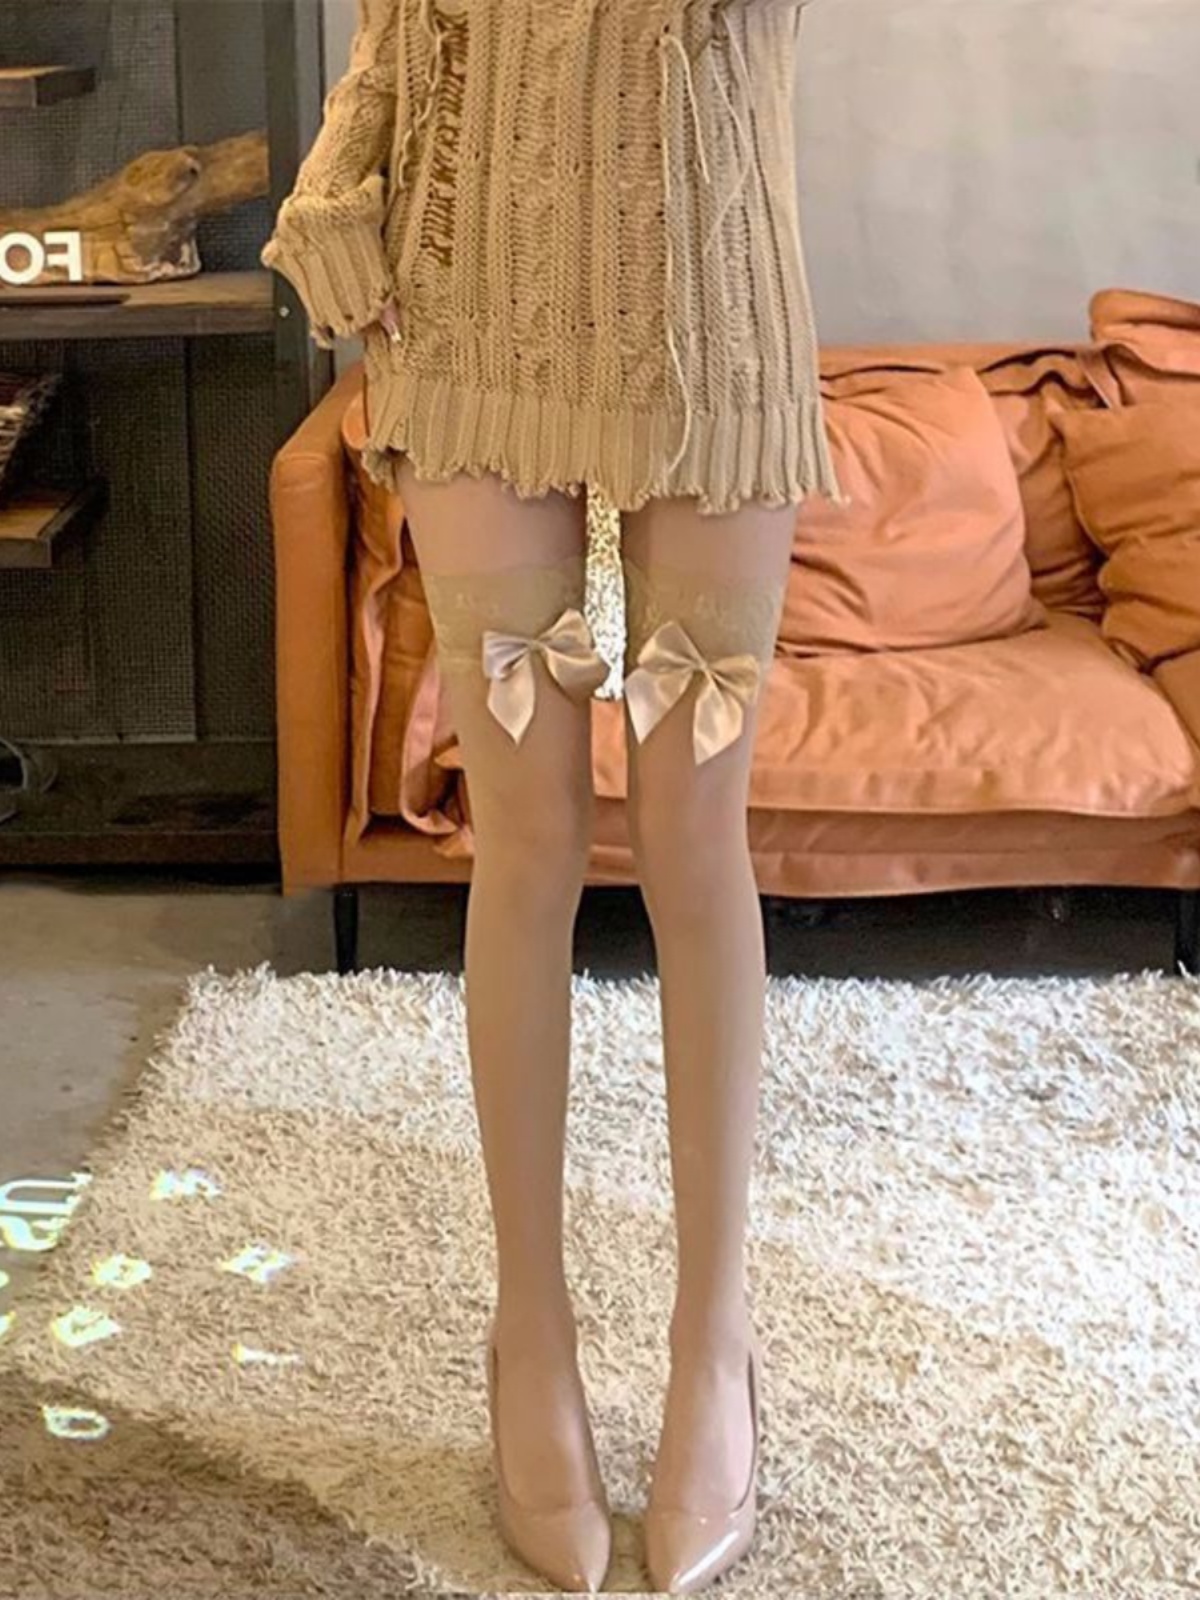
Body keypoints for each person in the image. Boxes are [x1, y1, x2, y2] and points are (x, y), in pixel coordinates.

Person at [261, 0, 842, 1590]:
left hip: (712, 306)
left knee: (693, 834)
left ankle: (714, 1343)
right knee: (522, 842)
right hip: (473, 317)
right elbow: (406, 28)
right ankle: (532, 1331)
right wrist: (342, 192)